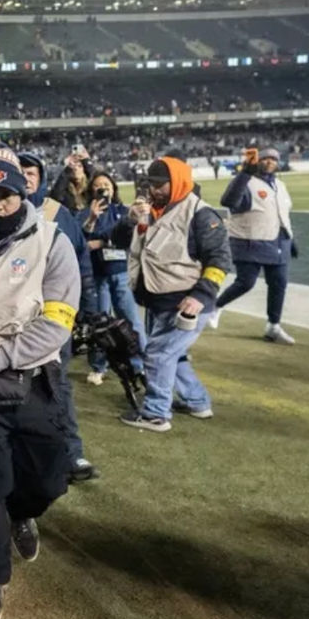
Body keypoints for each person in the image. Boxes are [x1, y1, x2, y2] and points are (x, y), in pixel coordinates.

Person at [0, 147, 81, 619]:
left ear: (22, 191)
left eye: (6, 196)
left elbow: (57, 324)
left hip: (33, 383)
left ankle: (23, 512)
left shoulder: (53, 241)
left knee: (49, 481)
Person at [112, 158, 231, 432]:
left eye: (159, 185)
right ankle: (197, 402)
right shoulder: (153, 209)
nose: (153, 191)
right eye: (150, 185)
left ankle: (156, 413)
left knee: (158, 354)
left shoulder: (201, 214)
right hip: (158, 299)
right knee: (172, 355)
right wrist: (129, 221)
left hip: (185, 302)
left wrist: (201, 296)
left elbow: (220, 259)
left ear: (177, 181)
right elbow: (119, 241)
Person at [18, 152, 98, 483]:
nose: (25, 176)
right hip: (9, 318)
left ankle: (71, 453)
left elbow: (81, 264)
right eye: (19, 170)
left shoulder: (56, 213)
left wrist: (88, 309)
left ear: (42, 177)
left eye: (31, 171)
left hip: (51, 318)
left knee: (57, 384)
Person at [212, 147, 296, 344]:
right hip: (250, 241)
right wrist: (244, 173)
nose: (269, 162)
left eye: (273, 159)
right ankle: (216, 306)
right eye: (265, 158)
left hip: (278, 242)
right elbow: (228, 201)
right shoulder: (247, 182)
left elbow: (282, 214)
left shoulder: (280, 185)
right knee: (245, 282)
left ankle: (273, 326)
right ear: (257, 161)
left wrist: (291, 239)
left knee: (279, 284)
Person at [79, 171, 146, 385]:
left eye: (106, 184)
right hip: (97, 275)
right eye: (98, 185)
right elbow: (82, 243)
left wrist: (102, 240)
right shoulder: (85, 213)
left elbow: (128, 236)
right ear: (91, 190)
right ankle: (99, 366)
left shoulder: (124, 211)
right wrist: (92, 220)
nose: (103, 188)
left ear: (113, 188)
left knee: (132, 321)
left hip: (121, 272)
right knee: (99, 325)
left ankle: (140, 365)